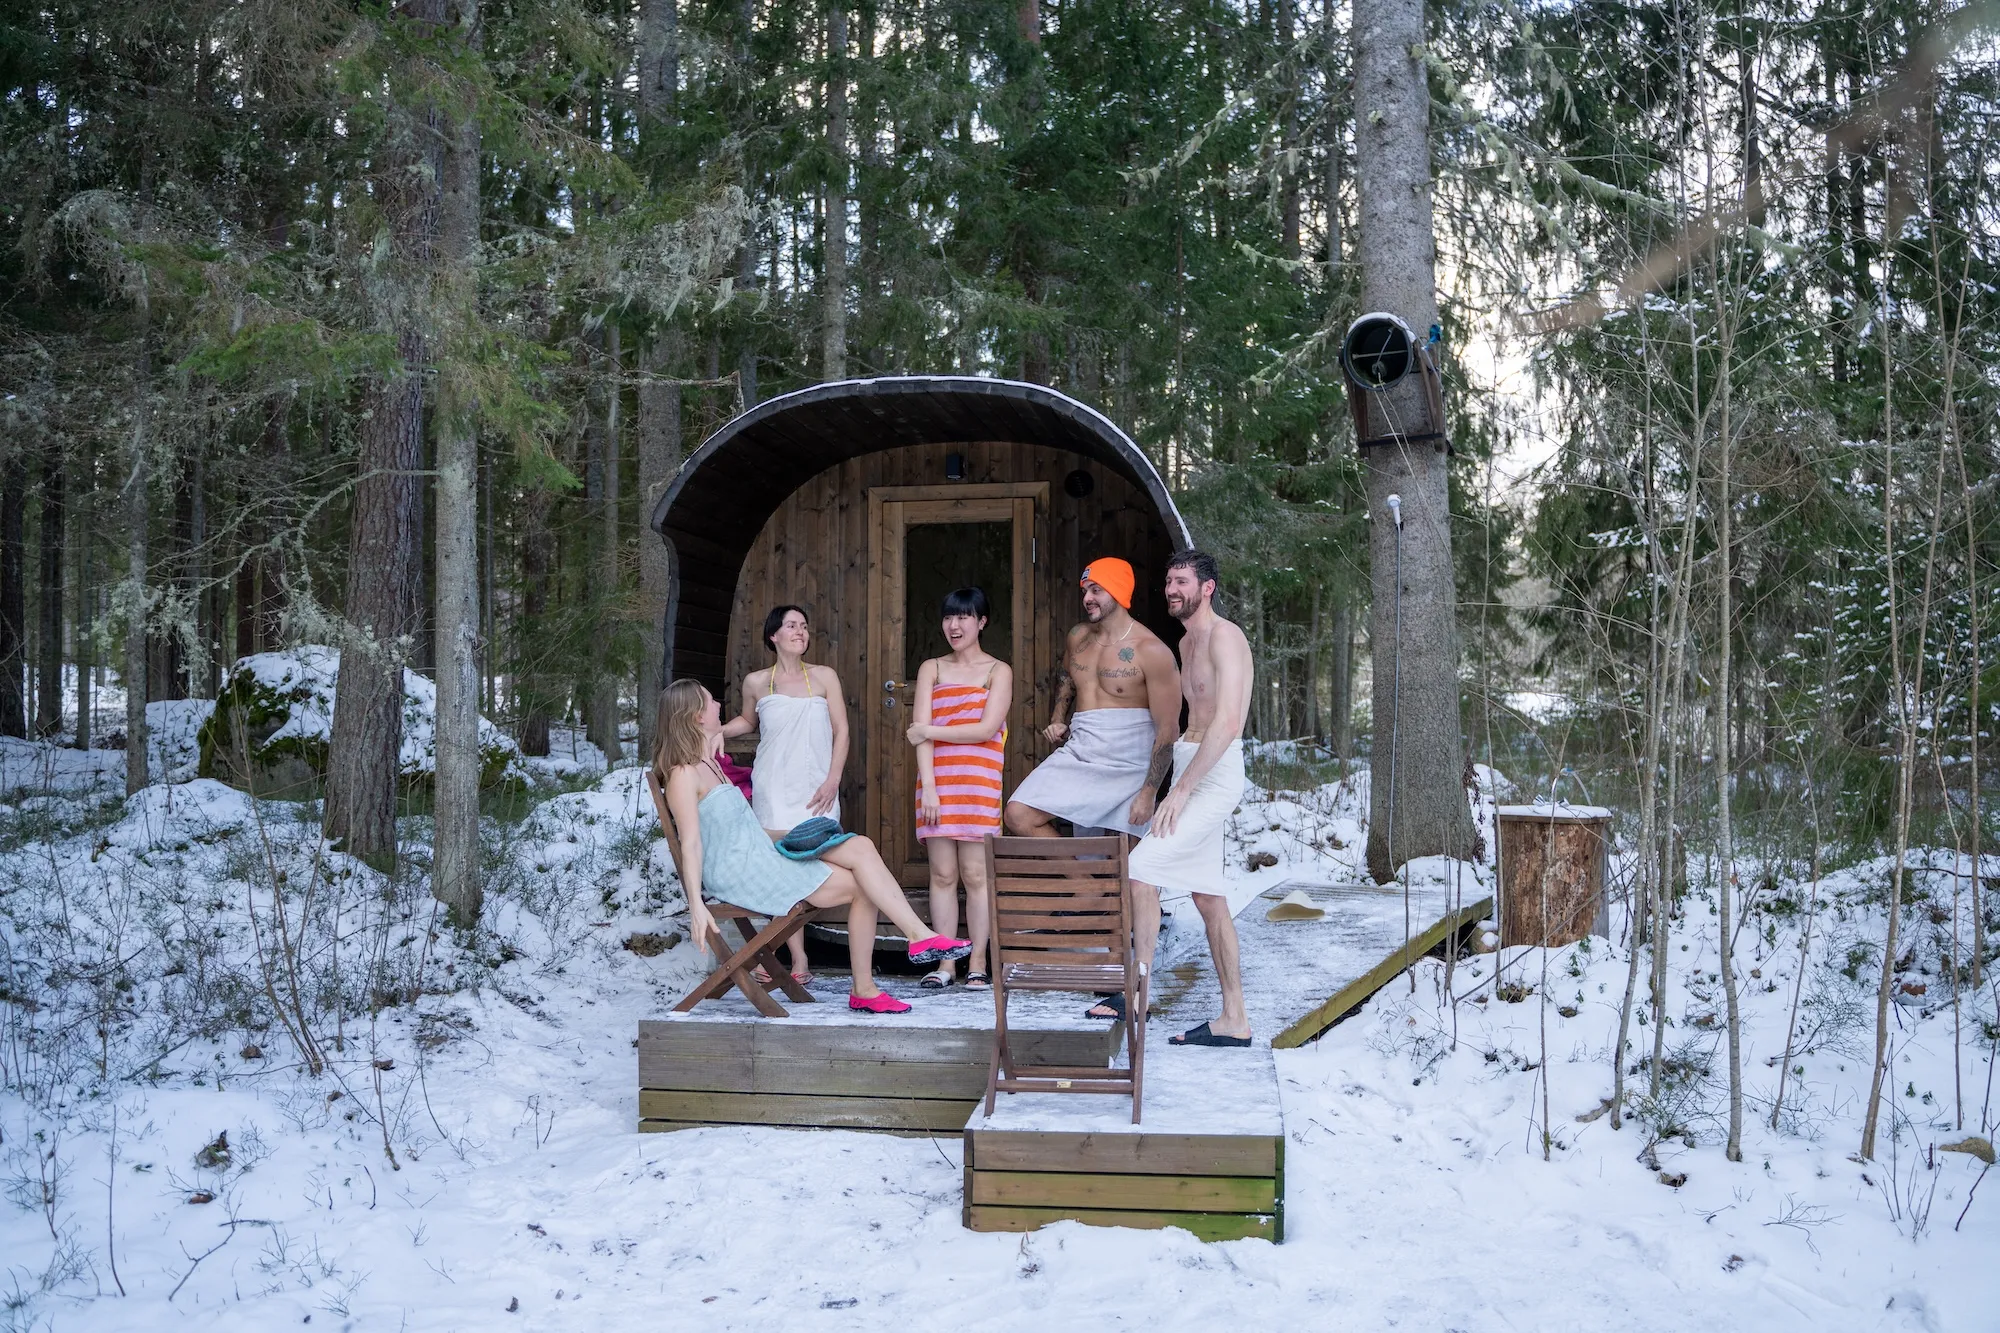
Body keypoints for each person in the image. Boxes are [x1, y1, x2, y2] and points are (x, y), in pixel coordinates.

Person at [653, 679, 971, 1014]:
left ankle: (916, 937)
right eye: (711, 700)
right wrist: (696, 904)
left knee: (860, 846)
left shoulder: (711, 764)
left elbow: (740, 830)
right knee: (863, 887)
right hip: (741, 873)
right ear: (697, 715)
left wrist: (800, 833)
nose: (718, 704)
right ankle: (875, 978)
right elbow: (691, 843)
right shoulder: (682, 775)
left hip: (760, 854)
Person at [1125, 550, 1257, 1046]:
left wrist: (1179, 792)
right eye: (1168, 581)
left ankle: (1138, 993)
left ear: (1208, 587)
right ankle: (1234, 1018)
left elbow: (1228, 721)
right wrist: (1166, 779)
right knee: (1207, 896)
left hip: (1216, 774)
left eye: (1181, 581)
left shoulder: (1226, 637)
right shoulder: (1185, 642)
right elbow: (1190, 719)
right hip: (1190, 762)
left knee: (1141, 868)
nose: (1171, 590)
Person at [1004, 556, 1180, 845]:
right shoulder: (1079, 636)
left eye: (1096, 590)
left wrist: (1149, 793)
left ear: (1118, 591)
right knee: (1018, 814)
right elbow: (1067, 675)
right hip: (1080, 750)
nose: (1087, 598)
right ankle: (1079, 874)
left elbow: (1168, 730)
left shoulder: (1151, 651)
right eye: (1085, 590)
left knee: (1124, 857)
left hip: (1126, 763)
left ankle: (1094, 873)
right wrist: (1058, 718)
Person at [720, 605, 849, 984]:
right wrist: (715, 732)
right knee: (780, 869)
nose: (800, 632)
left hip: (816, 788)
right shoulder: (757, 682)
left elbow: (842, 730)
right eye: (791, 626)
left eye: (804, 626)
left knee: (812, 863)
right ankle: (797, 958)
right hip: (773, 787)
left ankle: (773, 950)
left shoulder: (825, 676)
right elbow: (748, 721)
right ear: (773, 635)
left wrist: (833, 779)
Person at [907, 587, 1013, 989]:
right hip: (936, 785)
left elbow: (986, 729)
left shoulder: (998, 671)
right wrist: (929, 789)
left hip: (978, 784)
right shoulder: (931, 668)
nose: (954, 625)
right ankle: (946, 963)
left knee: (976, 875)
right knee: (942, 874)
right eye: (949, 617)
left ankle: (979, 962)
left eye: (964, 617)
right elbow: (919, 737)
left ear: (981, 622)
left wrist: (930, 730)